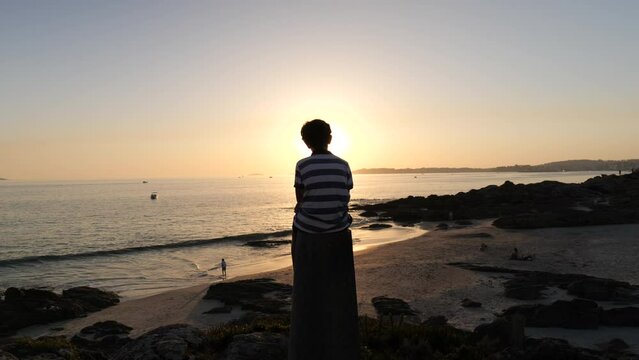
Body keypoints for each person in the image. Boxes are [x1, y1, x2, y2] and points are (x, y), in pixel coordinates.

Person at [289, 119, 358, 360]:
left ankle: (298, 267)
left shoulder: (302, 165)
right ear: (330, 138)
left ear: (305, 142)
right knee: (339, 298)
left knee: (296, 222)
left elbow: (301, 199)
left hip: (308, 233)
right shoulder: (343, 165)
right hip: (339, 232)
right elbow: (345, 194)